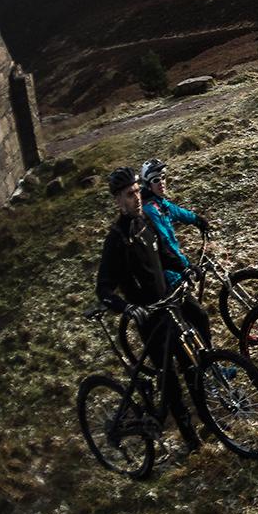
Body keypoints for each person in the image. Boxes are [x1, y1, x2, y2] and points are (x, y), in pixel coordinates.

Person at [96, 166, 205, 452]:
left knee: (192, 363)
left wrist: (186, 267)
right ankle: (189, 436)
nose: (137, 198)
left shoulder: (146, 220)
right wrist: (126, 308)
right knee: (168, 376)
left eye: (137, 192)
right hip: (148, 317)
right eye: (130, 195)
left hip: (168, 303)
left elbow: (165, 256)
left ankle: (207, 417)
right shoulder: (116, 239)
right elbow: (103, 288)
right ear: (118, 200)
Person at [138, 158, 211, 289]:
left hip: (175, 269)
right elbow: (166, 243)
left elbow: (177, 212)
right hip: (168, 276)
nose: (161, 183)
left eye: (163, 177)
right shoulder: (150, 210)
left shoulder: (159, 203)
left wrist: (198, 220)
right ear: (148, 185)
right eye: (156, 180)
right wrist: (186, 266)